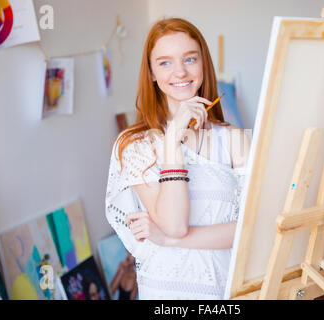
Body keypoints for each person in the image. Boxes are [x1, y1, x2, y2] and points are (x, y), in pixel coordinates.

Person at [105, 17, 251, 299]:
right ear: (151, 72)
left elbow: (250, 230)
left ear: (203, 65)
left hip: (224, 292)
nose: (180, 72)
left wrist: (169, 240)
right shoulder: (134, 146)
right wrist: (172, 140)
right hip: (164, 292)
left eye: (189, 59)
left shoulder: (235, 140)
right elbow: (175, 223)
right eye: (165, 62)